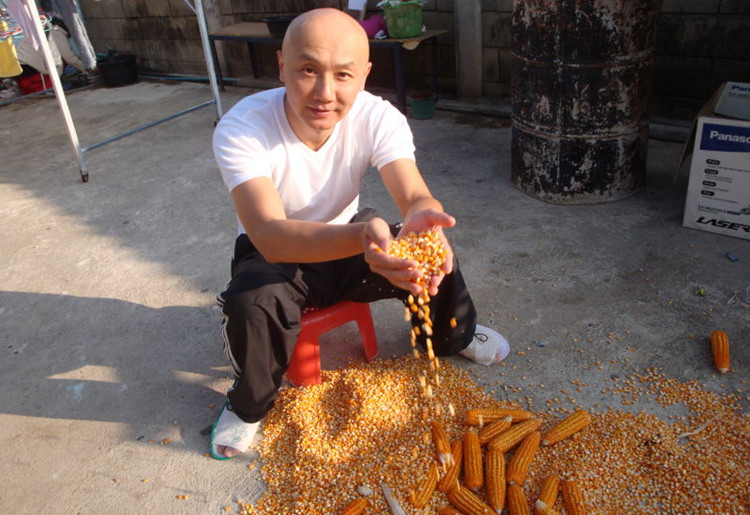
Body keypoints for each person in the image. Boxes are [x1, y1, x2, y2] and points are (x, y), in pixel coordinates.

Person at [210, 7, 509, 460]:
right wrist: (364, 240)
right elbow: (269, 234)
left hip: (350, 234)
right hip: (276, 254)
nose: (325, 93)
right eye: (308, 70)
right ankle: (247, 407)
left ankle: (455, 338)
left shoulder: (377, 116)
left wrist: (425, 218)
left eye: (343, 75)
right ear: (282, 66)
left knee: (427, 252)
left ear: (365, 75)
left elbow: (414, 195)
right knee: (251, 301)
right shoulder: (243, 126)